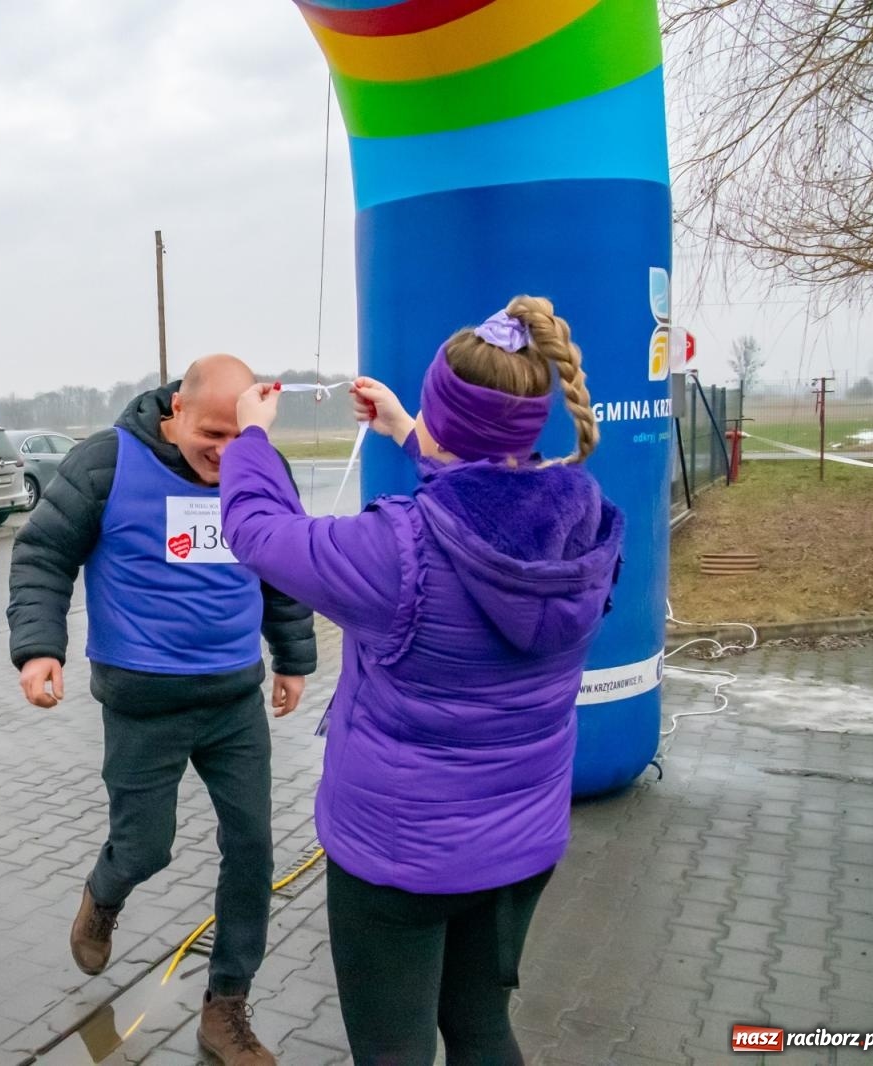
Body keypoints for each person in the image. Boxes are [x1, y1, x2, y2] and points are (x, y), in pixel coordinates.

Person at [219, 297, 625, 1066]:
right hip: (521, 849)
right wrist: (409, 430)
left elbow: (259, 532)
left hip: (399, 863)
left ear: (448, 416)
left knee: (393, 1053)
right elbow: (489, 505)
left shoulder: (393, 551)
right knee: (479, 1030)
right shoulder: (583, 523)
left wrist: (250, 436)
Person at [8, 354, 317, 1066]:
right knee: (148, 845)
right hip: (142, 702)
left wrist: (294, 658)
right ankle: (105, 891)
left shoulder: (258, 467)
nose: (227, 452)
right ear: (174, 412)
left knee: (252, 850)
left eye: (240, 436)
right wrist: (37, 648)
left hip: (233, 700)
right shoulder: (106, 464)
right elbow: (43, 555)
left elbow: (281, 564)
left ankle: (226, 1007)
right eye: (212, 433)